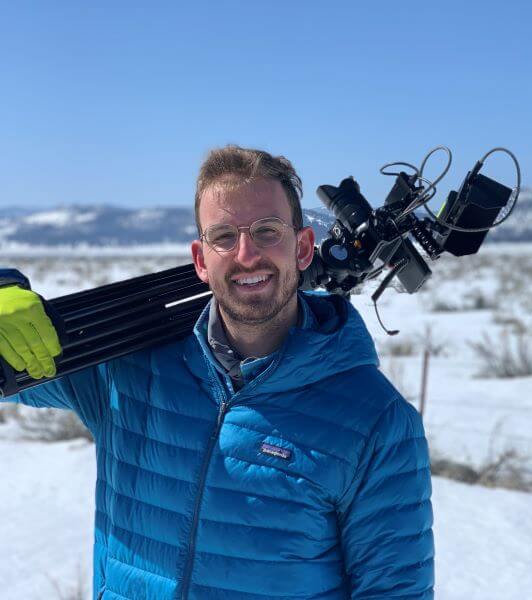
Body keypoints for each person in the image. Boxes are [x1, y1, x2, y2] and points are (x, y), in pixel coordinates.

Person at [0, 145, 435, 599]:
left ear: (303, 246)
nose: (246, 254)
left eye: (267, 230)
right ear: (200, 260)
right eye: (224, 236)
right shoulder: (125, 370)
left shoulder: (377, 422)